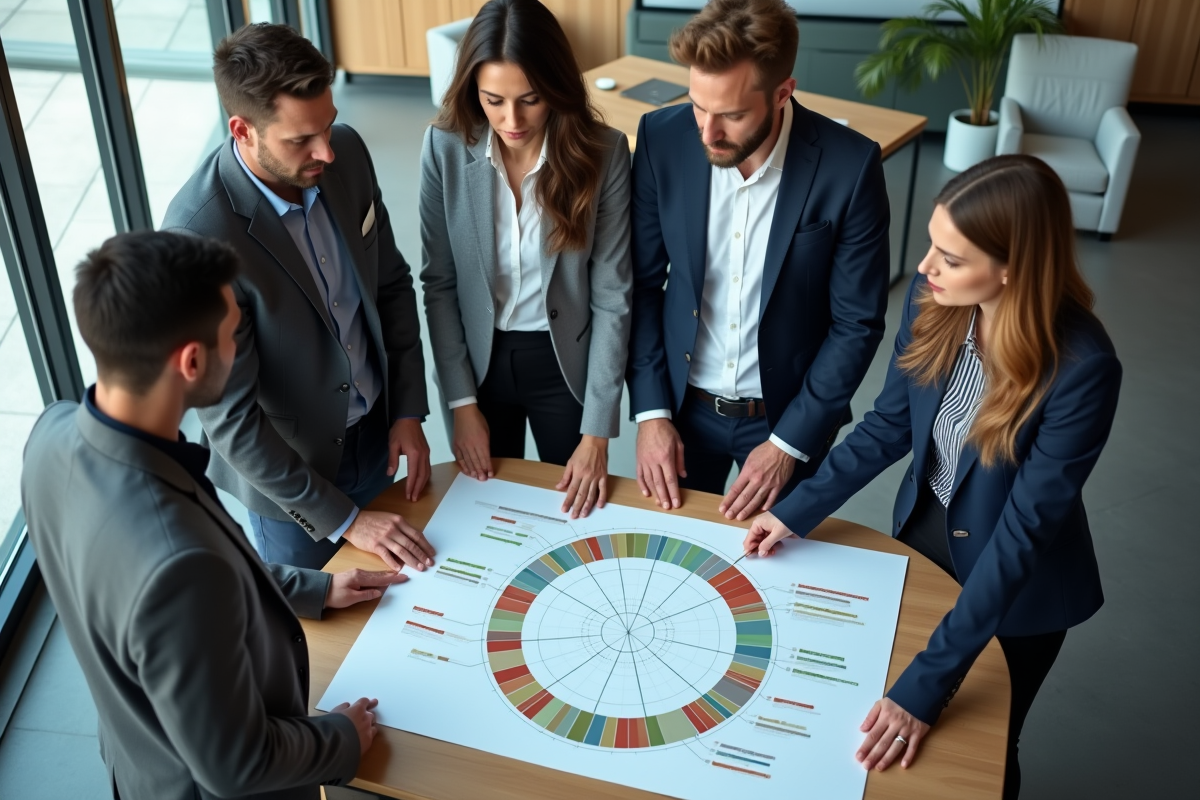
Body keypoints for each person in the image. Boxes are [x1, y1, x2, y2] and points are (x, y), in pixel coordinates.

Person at [744, 155, 1122, 799]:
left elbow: (1021, 537)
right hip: (925, 534)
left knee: (982, 757)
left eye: (950, 257)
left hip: (1019, 593)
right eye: (931, 245)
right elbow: (887, 425)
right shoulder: (936, 299)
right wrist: (794, 511)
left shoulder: (1083, 368)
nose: (922, 268)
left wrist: (926, 687)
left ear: (1012, 268)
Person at [21, 231, 408, 800]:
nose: (242, 350)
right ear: (192, 361)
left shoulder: (49, 437)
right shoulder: (177, 562)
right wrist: (340, 737)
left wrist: (314, 590)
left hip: (137, 758)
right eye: (235, 336)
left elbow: (162, 594)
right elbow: (237, 765)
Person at [162, 23, 435, 571]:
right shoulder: (198, 236)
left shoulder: (349, 153)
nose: (326, 153)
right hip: (293, 487)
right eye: (300, 140)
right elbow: (232, 420)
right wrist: (348, 521)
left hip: (379, 439)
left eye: (328, 127)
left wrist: (407, 410)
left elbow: (390, 285)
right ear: (243, 130)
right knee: (323, 640)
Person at [627, 0, 890, 521]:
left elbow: (856, 324)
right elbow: (639, 284)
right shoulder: (661, 139)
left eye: (731, 114)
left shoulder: (851, 166)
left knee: (778, 578)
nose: (706, 132)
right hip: (680, 411)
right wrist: (650, 413)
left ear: (783, 92)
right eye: (699, 105)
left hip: (789, 419)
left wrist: (789, 445)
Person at [420, 0, 632, 519]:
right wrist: (461, 403)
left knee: (577, 512)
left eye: (531, 100)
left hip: (564, 366)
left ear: (557, 87)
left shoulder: (603, 153)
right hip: (480, 365)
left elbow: (612, 294)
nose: (511, 120)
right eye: (493, 100)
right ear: (473, 89)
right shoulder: (443, 146)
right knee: (490, 512)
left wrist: (597, 432)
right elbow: (440, 284)